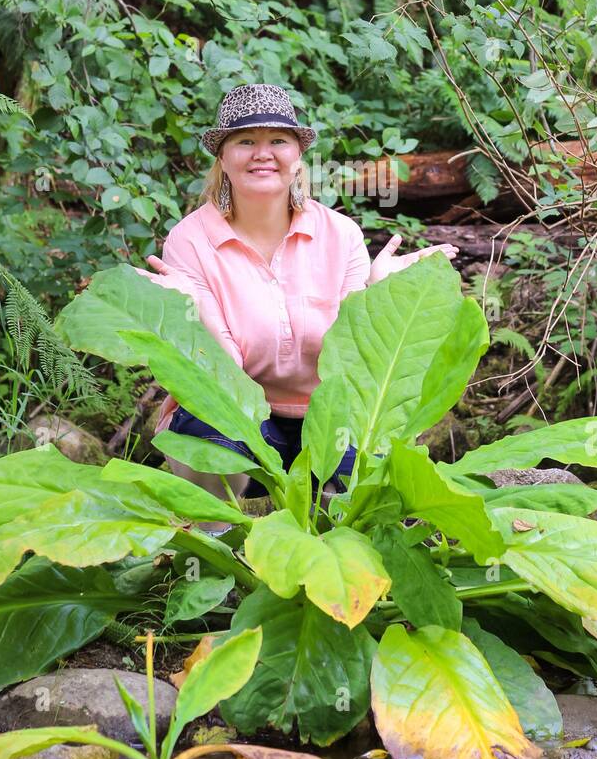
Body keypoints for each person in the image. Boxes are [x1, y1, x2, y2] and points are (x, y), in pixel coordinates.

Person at [138, 83, 458, 500]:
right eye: (245, 141)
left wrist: (377, 296)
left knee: (360, 490)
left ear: (298, 155)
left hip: (325, 417)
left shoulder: (340, 235)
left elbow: (352, 359)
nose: (262, 153)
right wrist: (192, 305)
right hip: (236, 412)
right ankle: (216, 544)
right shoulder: (189, 241)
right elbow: (222, 372)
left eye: (278, 140)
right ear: (222, 156)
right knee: (211, 442)